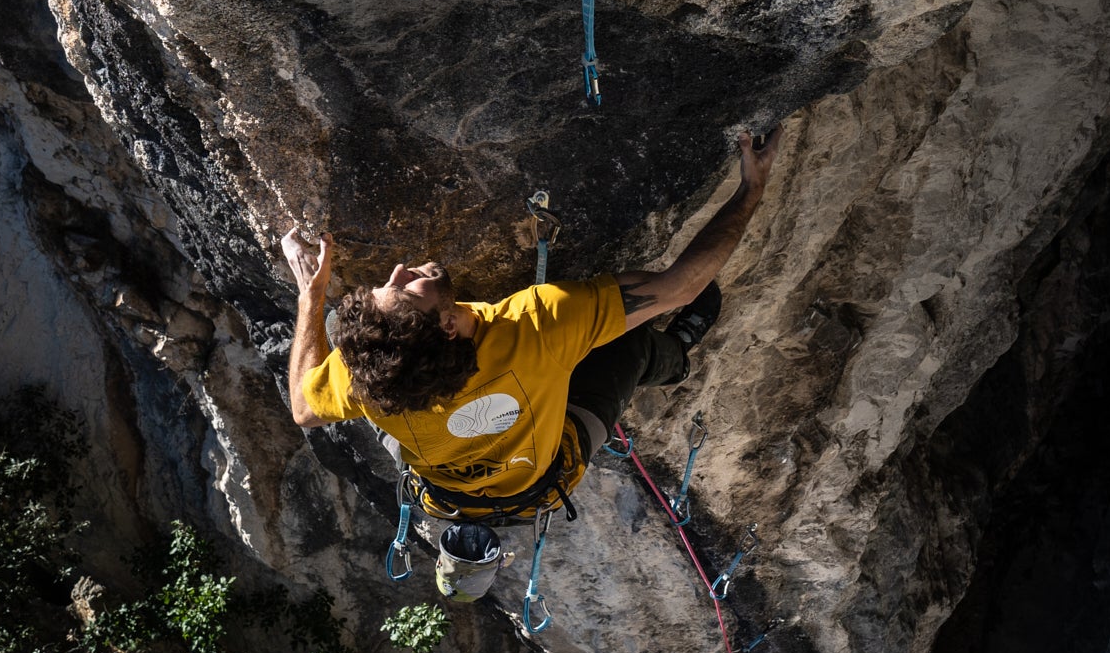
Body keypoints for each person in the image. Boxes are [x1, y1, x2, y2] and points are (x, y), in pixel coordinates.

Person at [279, 133, 770, 522]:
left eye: (391, 284)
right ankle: (678, 356)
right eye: (406, 290)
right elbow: (679, 288)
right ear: (449, 326)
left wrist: (310, 295)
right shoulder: (538, 323)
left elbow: (303, 409)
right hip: (546, 471)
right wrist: (752, 190)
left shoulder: (366, 379)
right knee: (631, 344)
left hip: (458, 489)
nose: (399, 272)